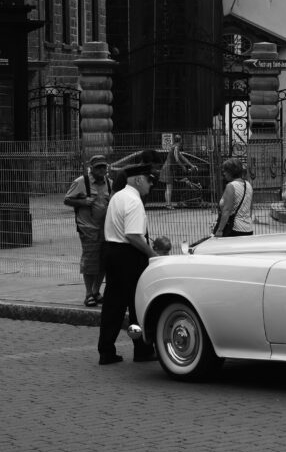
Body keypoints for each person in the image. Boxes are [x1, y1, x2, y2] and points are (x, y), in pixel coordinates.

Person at [98, 163, 158, 365]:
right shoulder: (133, 201)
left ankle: (106, 350)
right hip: (129, 256)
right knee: (137, 305)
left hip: (112, 252)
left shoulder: (118, 196)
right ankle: (142, 350)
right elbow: (133, 235)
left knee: (113, 305)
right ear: (139, 179)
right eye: (150, 179)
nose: (152, 184)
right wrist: (152, 254)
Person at [64, 154, 111, 307]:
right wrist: (83, 202)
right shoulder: (81, 182)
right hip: (88, 228)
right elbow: (67, 200)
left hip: (106, 230)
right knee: (90, 262)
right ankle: (88, 294)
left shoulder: (109, 183)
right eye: (98, 167)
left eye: (103, 167)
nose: (101, 170)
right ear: (91, 168)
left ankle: (96, 291)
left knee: (103, 262)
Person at [212, 157, 253, 237]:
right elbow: (250, 208)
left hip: (234, 230)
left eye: (225, 171)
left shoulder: (231, 186)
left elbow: (226, 210)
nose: (224, 174)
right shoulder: (248, 185)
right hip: (248, 229)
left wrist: (220, 230)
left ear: (231, 172)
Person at [162, 134, 199, 209]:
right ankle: (168, 205)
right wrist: (183, 166)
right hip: (168, 168)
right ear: (181, 140)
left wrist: (191, 165)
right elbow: (177, 159)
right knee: (169, 187)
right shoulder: (176, 147)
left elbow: (183, 157)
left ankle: (167, 204)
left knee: (168, 187)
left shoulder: (173, 147)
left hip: (167, 167)